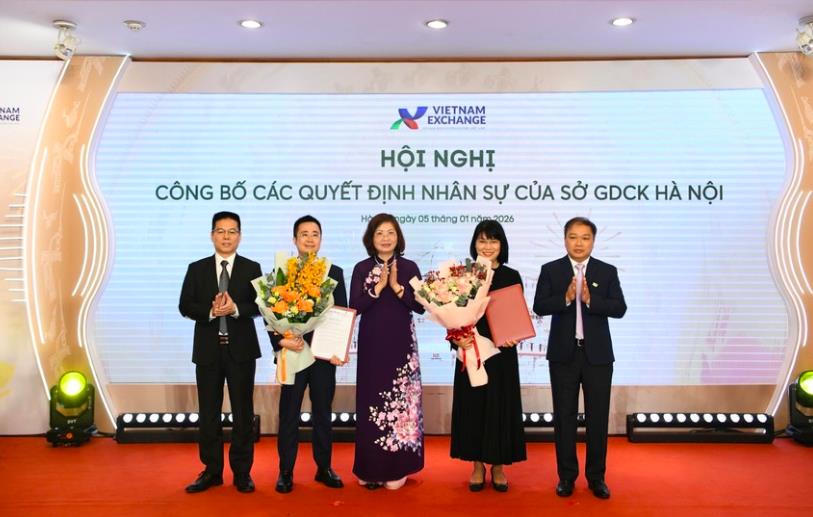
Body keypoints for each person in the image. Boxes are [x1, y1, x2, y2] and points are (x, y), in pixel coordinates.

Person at [533, 216, 626, 500]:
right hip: (564, 355)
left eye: (585, 238)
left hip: (598, 356)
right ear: (565, 239)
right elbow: (539, 305)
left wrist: (589, 300)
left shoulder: (606, 271)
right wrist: (565, 297)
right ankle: (566, 477)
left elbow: (619, 308)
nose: (579, 243)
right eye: (573, 237)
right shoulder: (551, 270)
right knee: (564, 417)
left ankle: (597, 477)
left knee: (598, 417)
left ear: (593, 241)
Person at [179, 211, 262, 493]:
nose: (226, 237)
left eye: (232, 231)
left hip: (241, 351)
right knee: (209, 413)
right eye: (221, 231)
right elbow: (185, 305)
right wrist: (211, 311)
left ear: (240, 236)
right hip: (208, 351)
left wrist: (236, 308)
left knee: (243, 413)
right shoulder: (197, 268)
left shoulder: (252, 268)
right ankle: (212, 471)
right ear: (212, 235)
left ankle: (242, 473)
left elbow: (262, 306)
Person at [268, 215, 348, 494]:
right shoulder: (283, 271)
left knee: (323, 412)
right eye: (304, 234)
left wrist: (338, 349)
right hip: (293, 352)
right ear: (295, 240)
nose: (310, 239)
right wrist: (281, 341)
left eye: (315, 234)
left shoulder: (334, 272)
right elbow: (270, 312)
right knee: (289, 413)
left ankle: (324, 467)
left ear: (321, 239)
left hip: (323, 357)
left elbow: (341, 313)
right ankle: (285, 471)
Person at [449, 220, 526, 492]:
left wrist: (515, 334)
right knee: (475, 408)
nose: (488, 246)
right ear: (474, 244)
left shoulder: (511, 276)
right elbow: (451, 313)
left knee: (500, 408)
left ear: (502, 245)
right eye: (482, 240)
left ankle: (499, 466)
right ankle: (478, 465)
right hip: (471, 350)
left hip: (501, 354)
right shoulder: (464, 274)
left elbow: (516, 314)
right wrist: (456, 337)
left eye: (493, 240)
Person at [349, 213, 425, 490]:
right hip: (372, 345)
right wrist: (378, 289)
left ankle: (397, 467)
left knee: (402, 403)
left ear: (398, 237)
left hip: (402, 346)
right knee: (371, 402)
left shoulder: (409, 267)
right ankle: (370, 468)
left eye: (390, 232)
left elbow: (421, 306)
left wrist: (397, 288)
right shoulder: (361, 268)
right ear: (371, 238)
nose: (385, 238)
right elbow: (354, 306)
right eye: (379, 232)